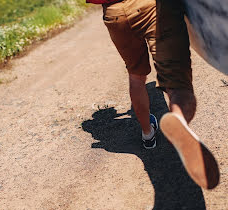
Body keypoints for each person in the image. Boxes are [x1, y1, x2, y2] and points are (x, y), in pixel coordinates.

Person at [86, 0, 219, 189]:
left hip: (115, 14)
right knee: (176, 81)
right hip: (150, 6)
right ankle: (179, 122)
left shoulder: (88, 127)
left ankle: (148, 134)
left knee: (136, 75)